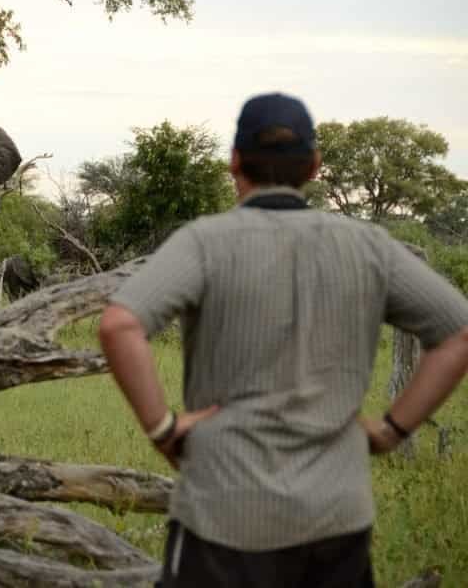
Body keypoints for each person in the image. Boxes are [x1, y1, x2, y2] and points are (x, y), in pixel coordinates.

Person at [98, 92, 468, 588]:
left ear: (234, 161)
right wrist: (391, 430)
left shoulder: (204, 241)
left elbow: (120, 325)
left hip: (222, 513)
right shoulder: (369, 246)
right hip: (336, 518)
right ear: (314, 166)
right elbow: (458, 333)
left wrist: (164, 429)